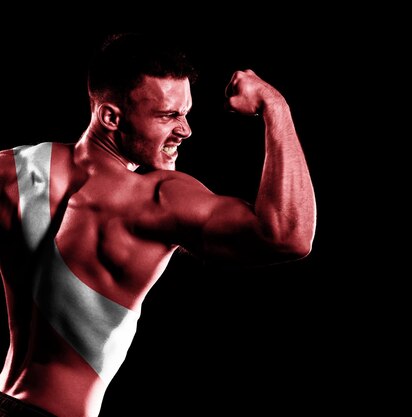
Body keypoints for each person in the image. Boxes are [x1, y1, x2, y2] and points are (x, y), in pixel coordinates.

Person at [0, 33, 316, 417]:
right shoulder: (154, 199)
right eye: (168, 116)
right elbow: (288, 234)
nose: (185, 130)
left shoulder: (13, 169)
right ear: (111, 117)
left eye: (185, 114)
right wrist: (275, 107)